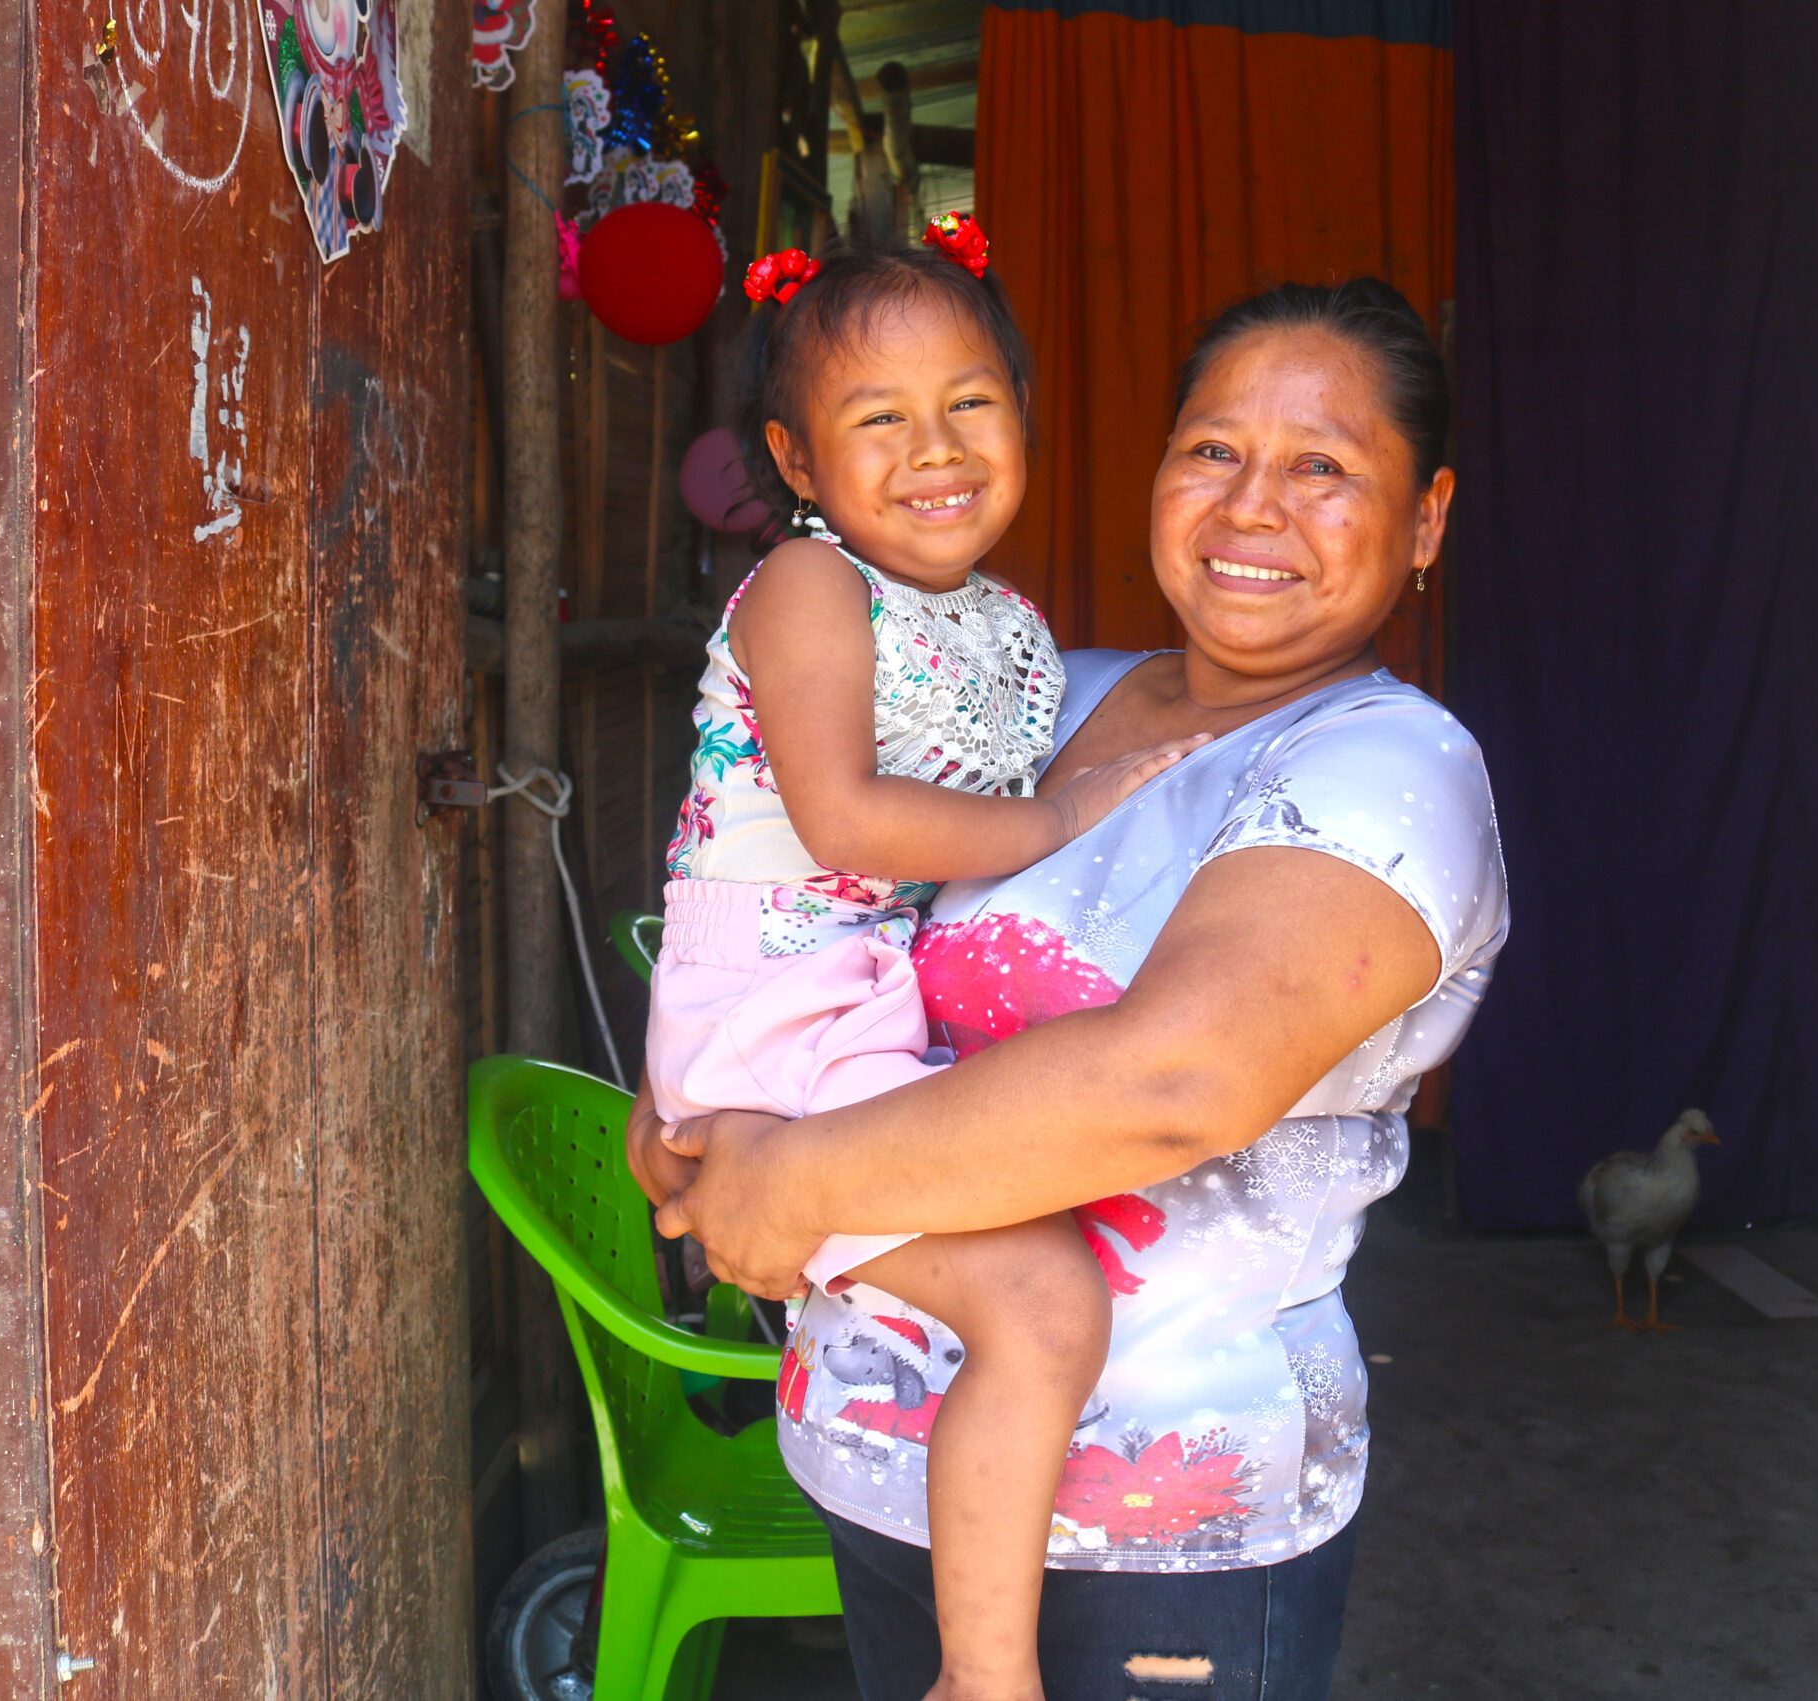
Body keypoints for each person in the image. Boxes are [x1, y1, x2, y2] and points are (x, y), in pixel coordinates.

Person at [632, 277, 1510, 1701]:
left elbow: (1172, 1083)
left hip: (1156, 1536)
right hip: (877, 1471)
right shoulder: (1042, 692)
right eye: (1213, 449)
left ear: (1425, 519)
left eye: (1325, 468)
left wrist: (783, 1178)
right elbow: (804, 882)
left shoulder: (1389, 766)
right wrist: (690, 1106)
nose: (1251, 506)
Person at [646, 218, 1201, 1701]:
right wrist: (1057, 814)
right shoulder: (812, 589)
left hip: (843, 1002)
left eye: (970, 402)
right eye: (876, 420)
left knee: (1061, 1237)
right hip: (778, 1001)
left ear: (1022, 414)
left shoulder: (1010, 628)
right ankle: (985, 1674)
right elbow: (844, 816)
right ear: (801, 462)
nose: (934, 447)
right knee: (1044, 1301)